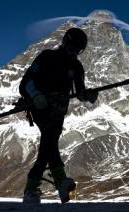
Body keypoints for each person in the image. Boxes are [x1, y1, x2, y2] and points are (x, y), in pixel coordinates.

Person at [19, 28, 98, 204]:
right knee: (50, 138)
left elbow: (80, 92)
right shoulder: (47, 57)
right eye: (72, 48)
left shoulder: (77, 67)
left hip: (59, 110)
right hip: (40, 107)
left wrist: (89, 95)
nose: (73, 53)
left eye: (77, 51)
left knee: (50, 143)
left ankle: (54, 184)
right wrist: (36, 95)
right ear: (64, 42)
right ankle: (35, 188)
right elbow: (25, 83)